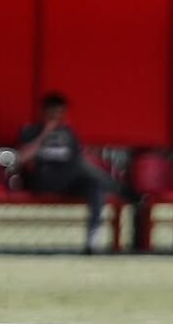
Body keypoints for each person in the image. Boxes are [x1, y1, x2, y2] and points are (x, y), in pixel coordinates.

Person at [18, 92, 131, 254]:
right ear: (43, 112)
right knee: (82, 167)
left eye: (60, 113)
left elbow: (77, 156)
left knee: (95, 187)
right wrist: (44, 134)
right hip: (44, 180)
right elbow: (22, 158)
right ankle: (122, 190)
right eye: (52, 113)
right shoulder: (31, 130)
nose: (57, 117)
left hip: (69, 180)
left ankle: (92, 239)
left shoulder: (68, 133)